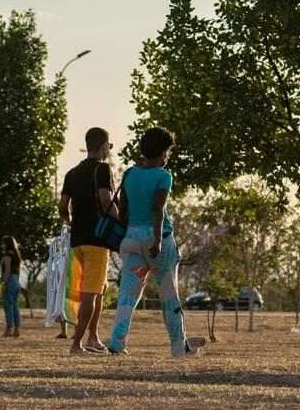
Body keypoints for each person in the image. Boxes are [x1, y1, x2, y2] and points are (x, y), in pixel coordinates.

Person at [106, 126, 203, 357]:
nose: (168, 156)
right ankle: (179, 348)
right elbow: (158, 209)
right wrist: (158, 240)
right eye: (168, 152)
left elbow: (123, 210)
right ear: (162, 152)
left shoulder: (129, 174)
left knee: (127, 296)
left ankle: (117, 343)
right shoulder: (163, 176)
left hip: (131, 239)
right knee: (170, 297)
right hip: (158, 241)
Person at [60, 126, 117, 355]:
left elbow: (63, 206)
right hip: (97, 239)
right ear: (102, 146)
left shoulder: (72, 173)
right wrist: (118, 219)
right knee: (90, 294)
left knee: (98, 290)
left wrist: (71, 222)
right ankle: (77, 344)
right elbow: (105, 199)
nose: (107, 151)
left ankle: (93, 337)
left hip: (77, 240)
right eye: (107, 147)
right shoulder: (102, 169)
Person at [0, 236, 24, 338]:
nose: (2, 245)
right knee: (15, 306)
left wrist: (4, 283)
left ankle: (8, 329)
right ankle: (16, 329)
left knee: (8, 306)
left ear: (7, 244)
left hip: (9, 281)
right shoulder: (17, 255)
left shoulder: (7, 255)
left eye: (3, 243)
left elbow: (7, 271)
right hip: (16, 281)